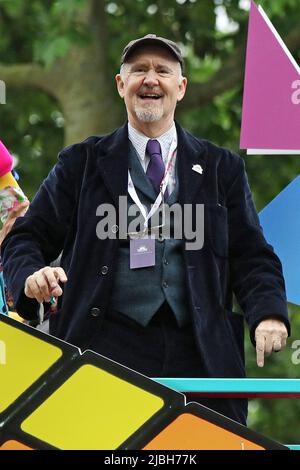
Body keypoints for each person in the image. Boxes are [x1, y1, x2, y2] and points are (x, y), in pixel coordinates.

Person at [2, 34, 290, 425]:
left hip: (201, 356)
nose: (151, 79)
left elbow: (252, 255)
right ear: (121, 85)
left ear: (181, 87)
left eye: (163, 71)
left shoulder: (223, 168)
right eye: (139, 70)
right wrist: (31, 278)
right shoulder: (80, 162)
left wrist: (269, 314)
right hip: (101, 350)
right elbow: (25, 237)